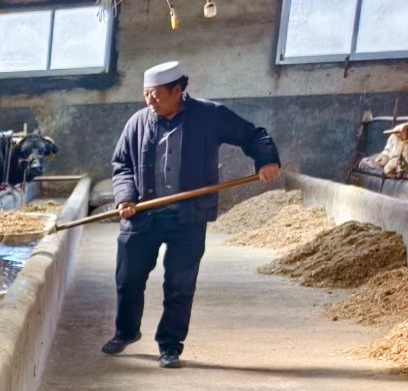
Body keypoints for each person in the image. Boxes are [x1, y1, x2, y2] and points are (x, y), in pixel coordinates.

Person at [105, 61, 280, 368]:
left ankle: (170, 345)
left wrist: (266, 160)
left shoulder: (209, 116)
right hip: (142, 216)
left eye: (156, 94)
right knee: (128, 277)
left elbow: (254, 135)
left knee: (180, 284)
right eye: (146, 94)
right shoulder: (137, 122)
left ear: (178, 91)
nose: (149, 101)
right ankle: (126, 332)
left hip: (188, 217)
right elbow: (122, 165)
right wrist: (126, 197)